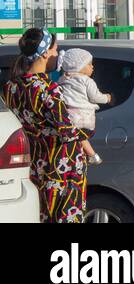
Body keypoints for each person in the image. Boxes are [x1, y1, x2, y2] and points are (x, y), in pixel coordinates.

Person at [0, 28, 91, 222]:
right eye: (55, 50)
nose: (57, 55)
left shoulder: (10, 88)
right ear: (44, 53)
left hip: (34, 165)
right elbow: (67, 130)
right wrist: (91, 151)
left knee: (39, 216)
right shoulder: (49, 88)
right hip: (62, 167)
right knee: (65, 217)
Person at [56, 48, 111, 166]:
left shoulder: (62, 79)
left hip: (68, 118)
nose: (92, 67)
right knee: (81, 136)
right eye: (89, 64)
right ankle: (93, 156)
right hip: (84, 118)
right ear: (79, 66)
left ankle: (91, 156)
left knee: (79, 137)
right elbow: (95, 97)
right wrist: (107, 98)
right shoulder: (87, 81)